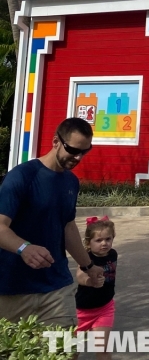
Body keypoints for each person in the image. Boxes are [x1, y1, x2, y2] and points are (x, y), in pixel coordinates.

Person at [0, 118, 104, 326]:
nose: (78, 157)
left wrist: (88, 265)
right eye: (73, 149)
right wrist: (24, 248)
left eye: (84, 151)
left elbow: (68, 226)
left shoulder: (71, 182)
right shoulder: (22, 176)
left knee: (65, 350)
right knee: (14, 357)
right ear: (56, 141)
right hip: (13, 288)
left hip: (57, 284)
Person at [74, 217, 118, 360]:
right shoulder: (87, 259)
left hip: (105, 308)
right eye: (98, 240)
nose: (104, 243)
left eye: (108, 239)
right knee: (72, 349)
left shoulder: (113, 254)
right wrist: (89, 281)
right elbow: (79, 274)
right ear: (88, 242)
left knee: (103, 348)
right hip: (82, 312)